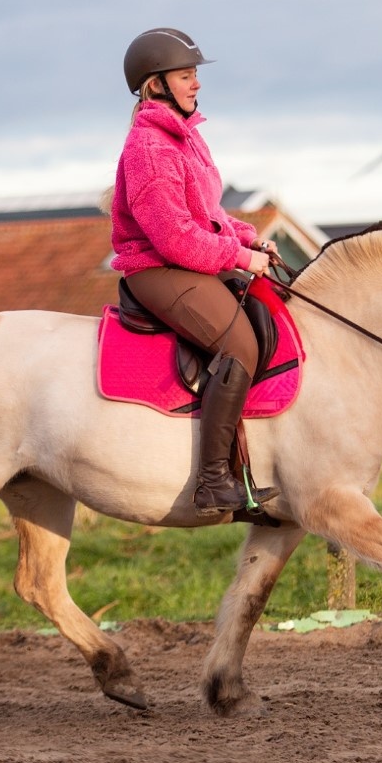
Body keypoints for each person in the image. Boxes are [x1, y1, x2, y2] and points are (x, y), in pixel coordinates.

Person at [110, 27, 279, 517]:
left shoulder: (186, 137)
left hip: (187, 260)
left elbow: (209, 214)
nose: (196, 84)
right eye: (186, 76)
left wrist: (248, 237)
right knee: (240, 344)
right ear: (155, 85)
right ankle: (211, 483)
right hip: (158, 268)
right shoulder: (149, 147)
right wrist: (240, 257)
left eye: (195, 76)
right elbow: (175, 237)